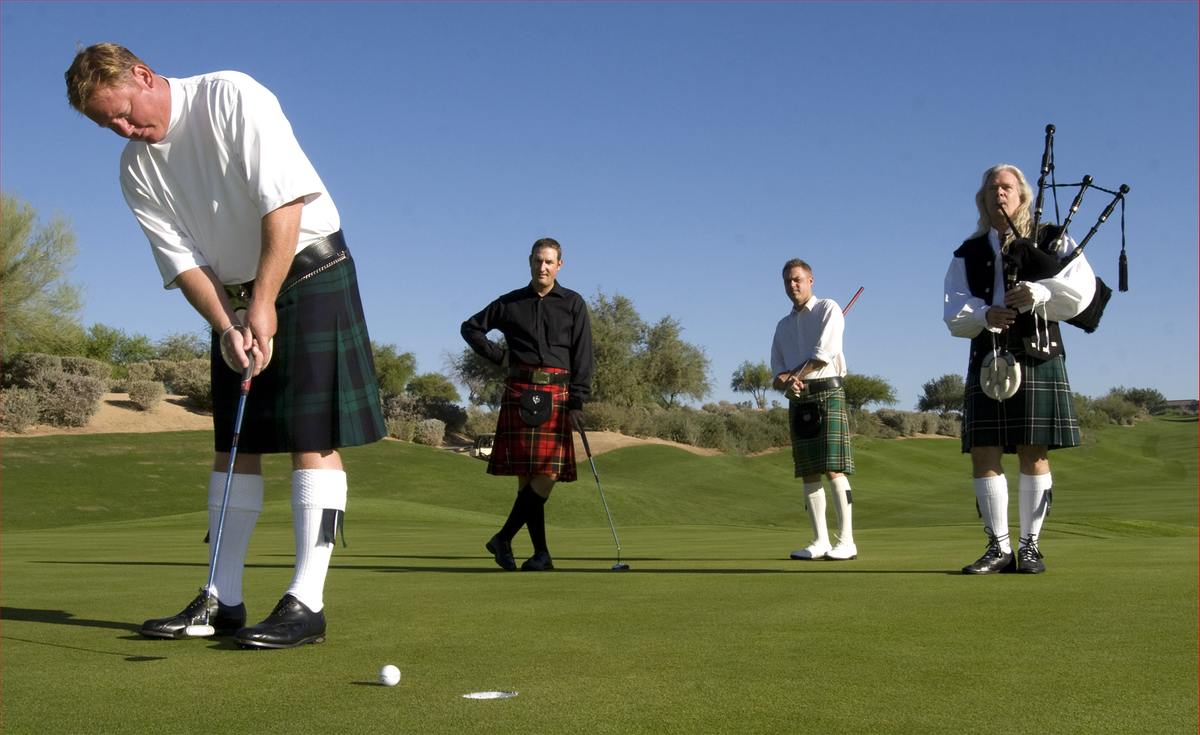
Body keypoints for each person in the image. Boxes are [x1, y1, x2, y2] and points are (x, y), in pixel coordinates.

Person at [65, 44, 387, 647]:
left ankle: (306, 603)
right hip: (238, 298)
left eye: (124, 112)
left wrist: (261, 302)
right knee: (235, 445)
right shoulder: (135, 166)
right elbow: (182, 260)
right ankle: (222, 599)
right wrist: (227, 322)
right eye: (105, 124)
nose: (123, 129)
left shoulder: (230, 95)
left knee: (310, 438)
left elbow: (285, 202)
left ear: (143, 75)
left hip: (312, 273)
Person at [944, 164, 1095, 575]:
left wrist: (1040, 291)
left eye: (1006, 186)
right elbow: (953, 313)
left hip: (1037, 352)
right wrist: (983, 313)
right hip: (988, 353)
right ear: (983, 199)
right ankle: (999, 547)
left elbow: (1084, 290)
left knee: (1034, 449)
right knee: (983, 451)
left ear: (1023, 195)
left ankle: (1030, 547)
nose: (999, 192)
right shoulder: (968, 251)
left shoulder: (1051, 238)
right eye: (991, 187)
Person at [461, 238, 594, 571]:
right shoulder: (510, 303)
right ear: (530, 262)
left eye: (549, 262)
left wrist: (578, 401)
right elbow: (471, 328)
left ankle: (504, 538)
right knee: (526, 478)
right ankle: (541, 554)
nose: (543, 267)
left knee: (547, 474)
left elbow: (584, 357)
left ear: (559, 265)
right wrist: (500, 356)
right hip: (520, 391)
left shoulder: (573, 303)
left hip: (560, 395)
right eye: (538, 261)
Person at [770, 259, 857, 561]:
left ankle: (846, 541)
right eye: (787, 281)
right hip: (799, 399)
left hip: (826, 391)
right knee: (808, 472)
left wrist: (796, 375)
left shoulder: (828, 309)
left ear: (810, 280)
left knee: (833, 468)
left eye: (797, 279)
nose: (792, 285)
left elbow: (823, 355)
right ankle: (820, 541)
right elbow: (777, 373)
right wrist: (785, 381)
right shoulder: (782, 326)